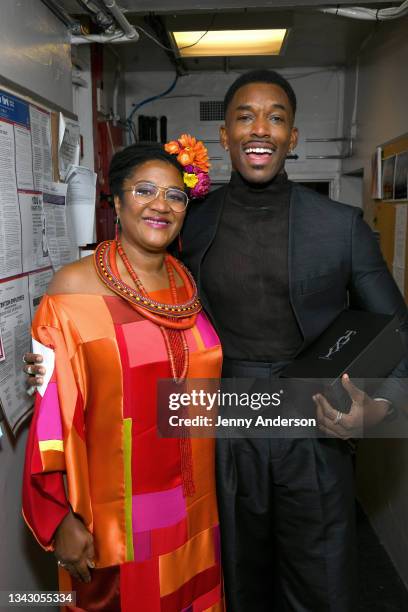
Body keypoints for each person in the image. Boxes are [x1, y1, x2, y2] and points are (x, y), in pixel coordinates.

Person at [25, 70, 408, 612]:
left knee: (320, 586)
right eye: (245, 116)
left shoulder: (340, 225)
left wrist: (381, 410)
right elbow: (140, 309)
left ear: (293, 137)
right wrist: (55, 358)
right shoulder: (189, 222)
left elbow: (399, 329)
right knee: (232, 582)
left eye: (276, 117)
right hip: (219, 427)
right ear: (224, 136)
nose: (261, 129)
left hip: (315, 425)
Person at [22, 142, 224, 611]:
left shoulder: (187, 282)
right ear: (116, 202)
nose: (161, 204)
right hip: (114, 518)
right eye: (145, 190)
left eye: (176, 195)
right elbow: (51, 418)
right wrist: (58, 519)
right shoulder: (74, 288)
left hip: (193, 508)